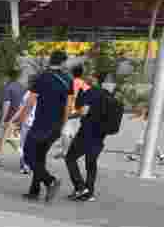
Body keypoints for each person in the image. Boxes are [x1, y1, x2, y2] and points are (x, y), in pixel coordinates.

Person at [18, 50, 72, 204]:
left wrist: (22, 119)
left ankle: (50, 181)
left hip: (41, 124)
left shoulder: (42, 77)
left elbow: (30, 102)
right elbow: (69, 105)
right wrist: (63, 124)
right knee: (40, 157)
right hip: (56, 126)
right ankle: (34, 191)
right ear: (62, 62)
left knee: (28, 155)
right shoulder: (68, 79)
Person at [64, 71, 110, 203]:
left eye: (90, 76)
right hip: (100, 134)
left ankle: (80, 187)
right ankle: (89, 192)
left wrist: (68, 117)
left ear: (95, 79)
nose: (87, 78)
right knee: (91, 163)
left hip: (87, 132)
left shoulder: (89, 93)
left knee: (70, 158)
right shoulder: (107, 94)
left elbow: (83, 111)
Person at [0, 68, 26, 166]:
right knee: (11, 139)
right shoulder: (22, 88)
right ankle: (23, 156)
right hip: (17, 119)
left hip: (7, 118)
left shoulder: (8, 87)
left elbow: (7, 103)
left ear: (8, 76)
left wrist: (3, 119)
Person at [54, 63, 90, 159]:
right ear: (82, 73)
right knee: (72, 131)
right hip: (81, 111)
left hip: (71, 110)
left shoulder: (69, 83)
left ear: (72, 73)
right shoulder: (85, 84)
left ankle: (66, 152)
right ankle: (66, 151)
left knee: (65, 131)